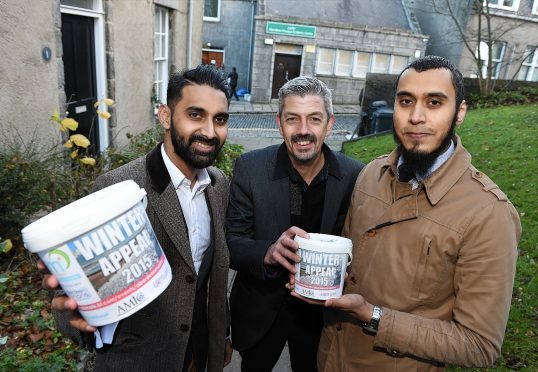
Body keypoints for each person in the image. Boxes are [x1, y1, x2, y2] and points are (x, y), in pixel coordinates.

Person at [291, 56, 522, 370]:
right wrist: (318, 273)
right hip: (330, 359)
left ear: (460, 112)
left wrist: (373, 316)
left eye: (434, 102)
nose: (416, 116)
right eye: (406, 101)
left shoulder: (489, 214)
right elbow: (351, 264)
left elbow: (479, 345)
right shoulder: (371, 173)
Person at [42, 65, 233, 371]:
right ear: (166, 116)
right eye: (195, 115)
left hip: (198, 354)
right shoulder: (118, 189)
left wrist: (220, 334)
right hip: (138, 359)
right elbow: (76, 291)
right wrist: (76, 316)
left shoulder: (219, 183)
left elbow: (211, 274)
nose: (210, 132)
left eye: (219, 119)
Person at [226, 76, 364, 371]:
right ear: (279, 123)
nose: (303, 131)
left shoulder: (355, 176)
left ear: (329, 124)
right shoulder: (249, 169)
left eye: (314, 119)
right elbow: (232, 242)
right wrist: (268, 252)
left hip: (321, 319)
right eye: (293, 119)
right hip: (261, 312)